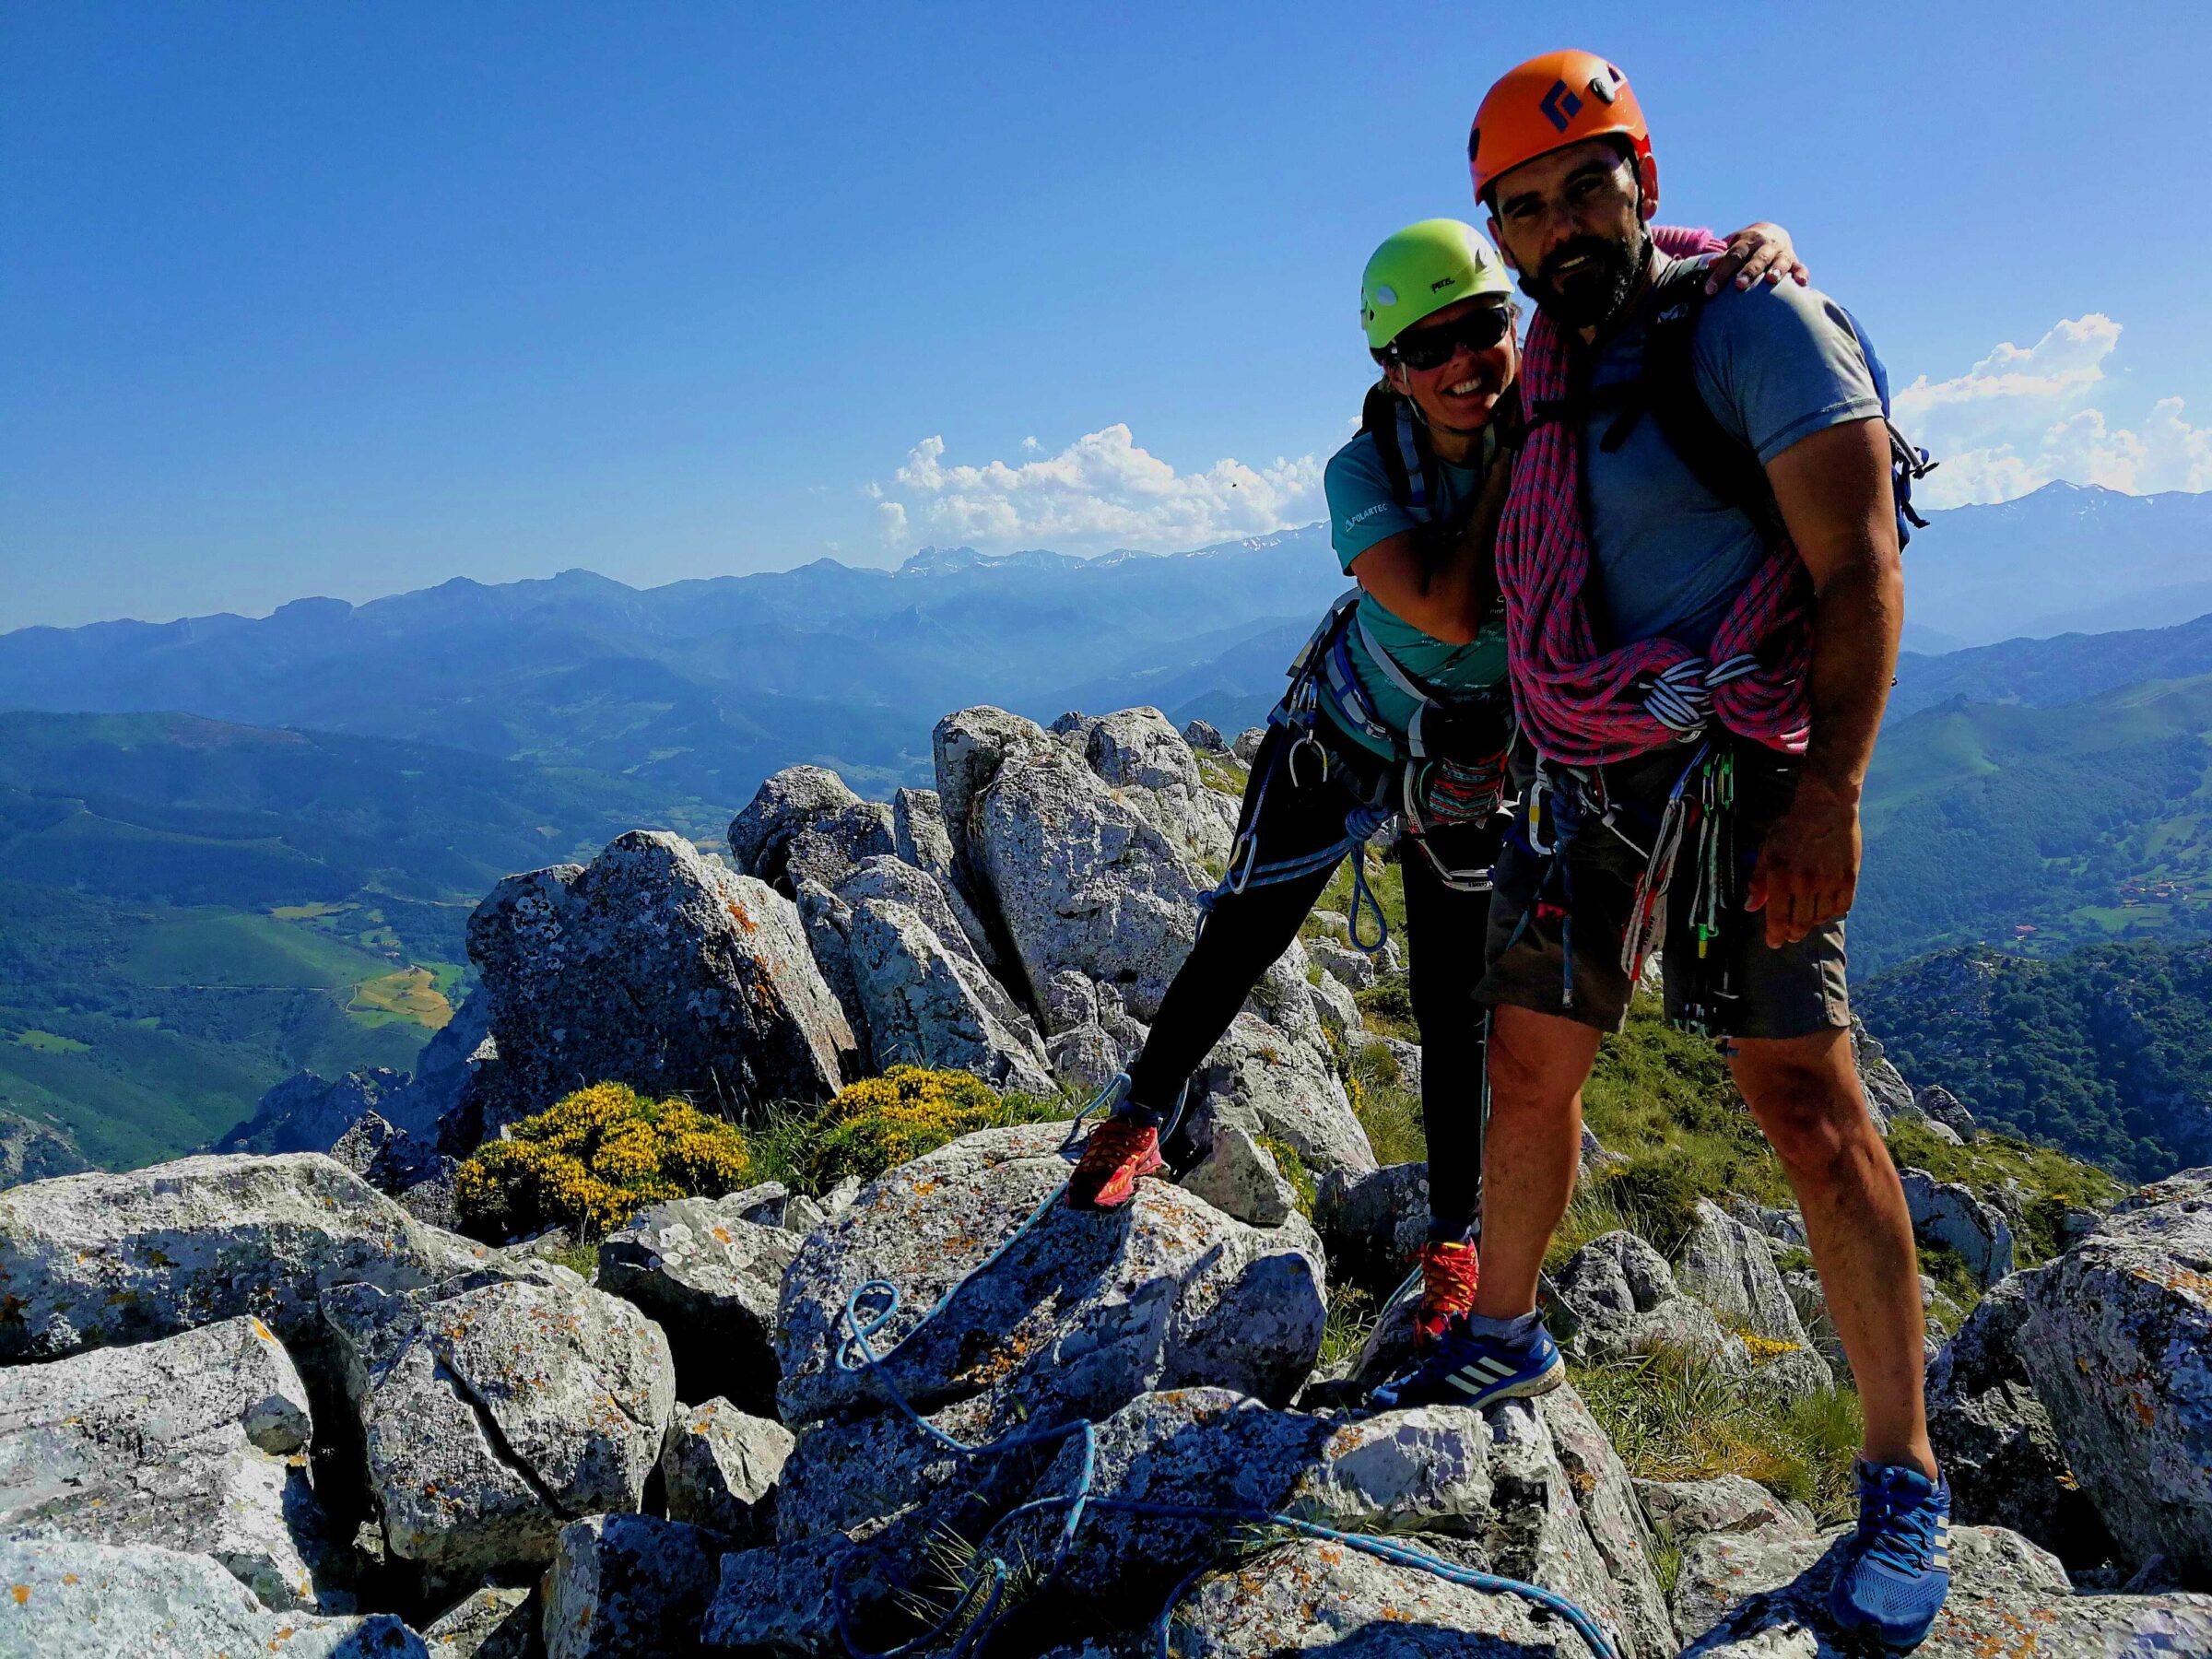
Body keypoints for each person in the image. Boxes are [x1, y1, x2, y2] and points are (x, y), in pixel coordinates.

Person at [1370, 49, 1946, 1652]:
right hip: (1590, 766)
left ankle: (1901, 1479)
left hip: (1754, 763)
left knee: (1805, 1102)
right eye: (1528, 207)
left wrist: (1830, 799)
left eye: (1584, 186)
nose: (1562, 224)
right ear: (1506, 228)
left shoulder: (1754, 324)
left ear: (1646, 178)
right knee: (1530, 1061)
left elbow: (1860, 569)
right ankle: (1503, 1334)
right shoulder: (1551, 359)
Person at [1065, 211, 1808, 1357]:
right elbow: (1453, 611)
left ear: (1513, 322)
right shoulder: (1368, 470)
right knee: (1246, 930)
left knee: (1457, 1005)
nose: (1465, 362)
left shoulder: (1574, 409)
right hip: (1350, 728)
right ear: (1391, 369)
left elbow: (1626, 257)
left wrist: (1749, 246)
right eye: (1430, 347)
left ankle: (1454, 1240)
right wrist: (1515, 463)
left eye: (1481, 329)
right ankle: (1140, 1113)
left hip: (1476, 755)